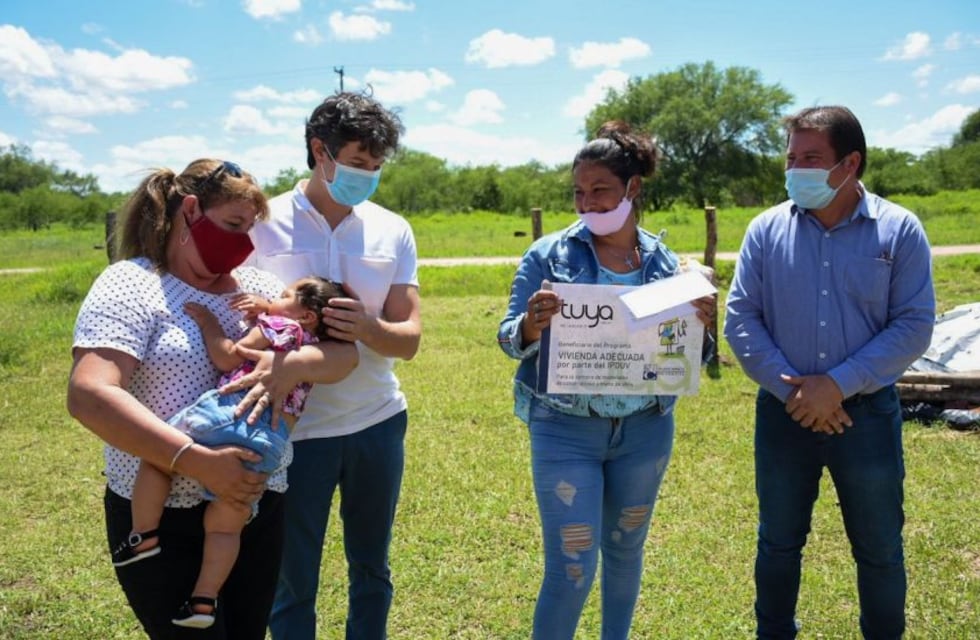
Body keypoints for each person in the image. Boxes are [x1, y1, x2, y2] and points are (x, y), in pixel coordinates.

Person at [67, 159, 358, 640]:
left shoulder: (260, 289)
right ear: (189, 211)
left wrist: (294, 365)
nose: (244, 242)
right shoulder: (132, 284)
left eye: (250, 229)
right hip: (160, 522)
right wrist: (196, 461)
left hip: (251, 505)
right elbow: (89, 395)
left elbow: (343, 356)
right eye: (232, 225)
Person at [497, 121, 716, 640]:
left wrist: (704, 324)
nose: (587, 203)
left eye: (600, 191)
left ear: (632, 189)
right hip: (564, 428)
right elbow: (507, 338)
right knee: (571, 567)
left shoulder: (667, 265)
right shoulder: (548, 256)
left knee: (625, 553)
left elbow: (692, 355)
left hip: (645, 430)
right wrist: (531, 323)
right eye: (578, 192)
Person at [724, 105, 935, 639]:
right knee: (777, 541)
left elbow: (912, 325)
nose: (797, 169)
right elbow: (741, 316)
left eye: (811, 158)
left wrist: (836, 385)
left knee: (880, 547)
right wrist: (796, 392)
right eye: (791, 158)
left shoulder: (899, 230)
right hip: (782, 413)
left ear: (850, 163)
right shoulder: (765, 229)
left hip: (865, 415)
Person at [245, 91, 421, 639]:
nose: (367, 177)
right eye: (357, 164)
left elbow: (409, 339)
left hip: (376, 422)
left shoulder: (393, 229)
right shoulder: (259, 224)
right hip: (292, 432)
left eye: (375, 167)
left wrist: (367, 328)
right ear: (319, 152)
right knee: (291, 579)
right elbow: (238, 324)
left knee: (372, 569)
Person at [114, 276, 344, 630]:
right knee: (226, 528)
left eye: (283, 295)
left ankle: (143, 535)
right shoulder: (313, 352)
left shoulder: (279, 326)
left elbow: (226, 358)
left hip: (228, 417)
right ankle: (204, 600)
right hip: (268, 444)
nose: (274, 298)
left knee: (160, 456)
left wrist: (209, 322)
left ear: (307, 315)